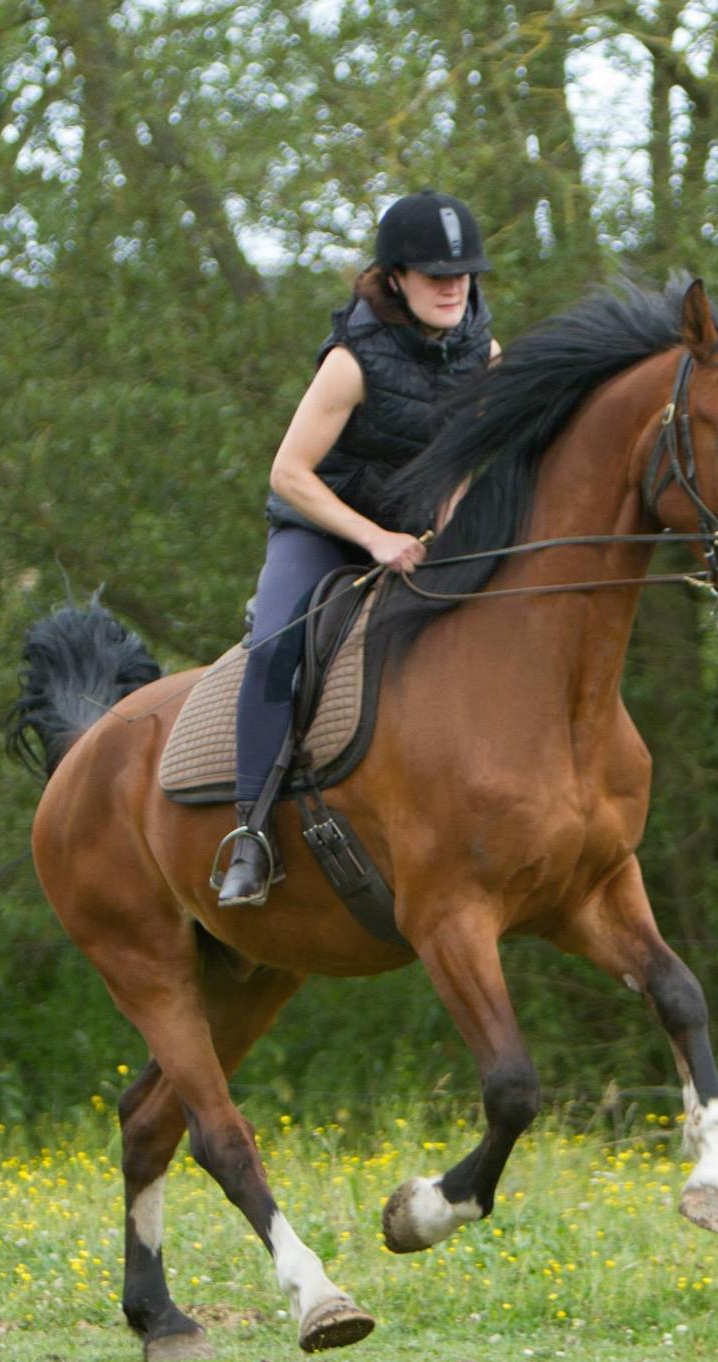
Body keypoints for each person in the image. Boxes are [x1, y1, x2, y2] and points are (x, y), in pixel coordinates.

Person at [217, 190, 500, 909]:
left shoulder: (485, 352)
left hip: (419, 531)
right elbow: (288, 471)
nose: (452, 287)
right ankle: (248, 834)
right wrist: (373, 538)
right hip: (322, 528)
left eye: (463, 273)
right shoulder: (351, 361)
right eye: (435, 274)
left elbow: (475, 454)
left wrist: (455, 511)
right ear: (395, 278)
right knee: (277, 642)